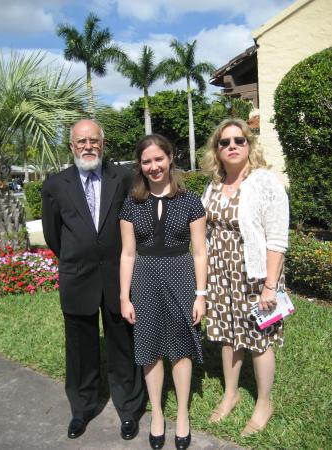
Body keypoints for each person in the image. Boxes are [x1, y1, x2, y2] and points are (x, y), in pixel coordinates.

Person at [42, 119, 144, 440]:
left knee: (123, 346)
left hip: (118, 279)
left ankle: (128, 408)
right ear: (72, 146)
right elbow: (52, 235)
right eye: (81, 141)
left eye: (94, 140)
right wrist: (79, 257)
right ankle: (82, 408)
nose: (88, 146)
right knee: (80, 350)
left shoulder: (123, 178)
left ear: (103, 143)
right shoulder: (56, 185)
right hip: (78, 279)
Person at [201, 118, 289, 437]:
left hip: (256, 277)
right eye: (225, 142)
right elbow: (205, 230)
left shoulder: (265, 182)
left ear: (249, 145)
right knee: (227, 336)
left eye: (239, 140)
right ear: (217, 150)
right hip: (220, 275)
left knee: (259, 340)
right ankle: (231, 393)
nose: (232, 146)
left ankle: (264, 403)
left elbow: (277, 239)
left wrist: (269, 286)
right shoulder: (214, 184)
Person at [119, 134, 207, 450]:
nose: (154, 166)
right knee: (150, 344)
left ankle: (182, 413)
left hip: (181, 275)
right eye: (147, 161)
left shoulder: (190, 200)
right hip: (144, 278)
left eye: (159, 159)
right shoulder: (132, 202)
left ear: (170, 157)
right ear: (139, 166)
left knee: (181, 344)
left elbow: (200, 251)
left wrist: (201, 294)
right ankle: (157, 413)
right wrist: (124, 297)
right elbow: (128, 253)